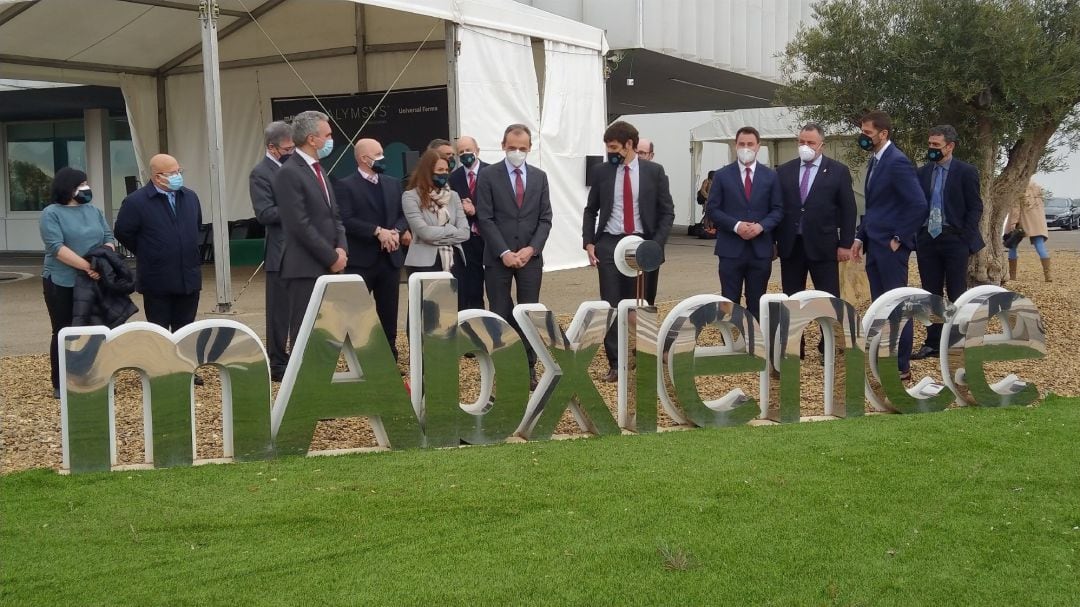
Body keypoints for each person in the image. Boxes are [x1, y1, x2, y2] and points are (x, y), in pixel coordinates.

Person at [582, 120, 675, 382]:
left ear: (629, 145)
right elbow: (591, 209)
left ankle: (644, 357)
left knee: (642, 304)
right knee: (611, 305)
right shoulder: (602, 172)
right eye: (607, 148)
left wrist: (655, 244)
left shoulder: (654, 172)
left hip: (643, 244)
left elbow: (667, 211)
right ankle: (616, 363)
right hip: (610, 243)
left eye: (614, 147)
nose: (610, 152)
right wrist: (589, 241)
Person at [849, 111, 927, 381]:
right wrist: (860, 237)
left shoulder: (897, 162)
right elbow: (875, 208)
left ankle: (901, 366)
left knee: (897, 306)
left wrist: (899, 238)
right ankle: (885, 358)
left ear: (883, 134)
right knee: (880, 306)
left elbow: (918, 205)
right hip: (874, 244)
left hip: (891, 248)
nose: (864, 137)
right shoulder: (876, 161)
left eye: (868, 133)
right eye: (863, 132)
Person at [475, 123, 552, 390]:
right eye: (512, 148)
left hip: (530, 258)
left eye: (522, 148)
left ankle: (529, 368)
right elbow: (484, 217)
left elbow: (545, 219)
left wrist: (531, 249)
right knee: (500, 312)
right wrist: (504, 251)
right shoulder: (488, 176)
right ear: (503, 146)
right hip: (498, 259)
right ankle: (503, 366)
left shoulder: (540, 177)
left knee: (528, 313)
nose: (517, 152)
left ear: (530, 148)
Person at [271, 110, 348, 350]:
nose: (330, 139)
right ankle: (301, 385)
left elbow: (334, 215)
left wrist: (341, 248)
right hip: (304, 267)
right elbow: (298, 224)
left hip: (329, 263)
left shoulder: (319, 169)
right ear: (312, 139)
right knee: (305, 331)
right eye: (327, 135)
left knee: (327, 331)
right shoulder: (289, 172)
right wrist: (331, 256)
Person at [39, 168, 116, 397]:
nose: (86, 188)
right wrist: (87, 266)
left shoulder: (94, 211)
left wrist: (99, 263)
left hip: (93, 281)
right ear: (67, 188)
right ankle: (61, 382)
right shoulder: (51, 213)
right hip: (61, 281)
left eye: (86, 183)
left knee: (94, 329)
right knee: (63, 330)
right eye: (81, 184)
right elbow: (56, 248)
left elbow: (108, 238)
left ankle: (91, 376)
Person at [912, 124, 984, 360]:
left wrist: (965, 236)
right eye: (930, 144)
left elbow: (975, 206)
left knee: (956, 291)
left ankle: (957, 340)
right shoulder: (922, 172)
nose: (932, 149)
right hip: (927, 239)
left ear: (950, 146)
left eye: (936, 145)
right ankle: (933, 342)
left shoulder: (966, 171)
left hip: (954, 238)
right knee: (930, 294)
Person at [333, 138, 408, 361]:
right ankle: (361, 356)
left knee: (389, 311)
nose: (382, 158)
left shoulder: (393, 183)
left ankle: (389, 354)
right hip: (361, 260)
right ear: (364, 159)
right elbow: (346, 219)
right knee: (357, 313)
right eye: (378, 154)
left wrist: (395, 231)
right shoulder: (346, 186)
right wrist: (377, 231)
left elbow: (403, 215)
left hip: (390, 260)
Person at [115, 153, 203, 334]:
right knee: (159, 334)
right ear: (157, 177)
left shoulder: (190, 197)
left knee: (185, 333)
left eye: (178, 171)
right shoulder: (136, 202)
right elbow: (123, 232)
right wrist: (150, 250)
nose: (177, 176)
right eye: (172, 173)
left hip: (188, 279)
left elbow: (196, 226)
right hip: (157, 281)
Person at [705, 126, 784, 319]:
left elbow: (778, 209)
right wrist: (736, 225)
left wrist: (761, 226)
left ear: (758, 146)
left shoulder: (771, 176)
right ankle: (731, 343)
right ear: (735, 145)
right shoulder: (722, 175)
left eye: (750, 144)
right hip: (731, 250)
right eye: (742, 144)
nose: (746, 148)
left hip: (760, 250)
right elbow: (712, 209)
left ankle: (755, 344)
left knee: (757, 302)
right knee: (729, 301)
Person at [775, 123, 857, 300]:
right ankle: (793, 329)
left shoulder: (838, 171)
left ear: (822, 145)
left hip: (824, 246)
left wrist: (845, 244)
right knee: (791, 300)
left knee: (828, 300)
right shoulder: (783, 171)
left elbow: (848, 209)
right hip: (791, 246)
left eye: (811, 142)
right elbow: (776, 208)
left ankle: (829, 329)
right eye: (801, 141)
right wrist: (773, 242)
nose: (805, 146)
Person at [249, 120, 294, 381]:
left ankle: (297, 357)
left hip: (304, 251)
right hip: (280, 252)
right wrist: (298, 207)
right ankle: (277, 362)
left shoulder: (296, 168)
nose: (290, 152)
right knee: (279, 313)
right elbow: (265, 213)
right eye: (287, 148)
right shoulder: (261, 173)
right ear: (272, 147)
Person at [402, 149, 470, 277]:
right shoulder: (411, 196)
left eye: (446, 170)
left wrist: (437, 234)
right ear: (427, 171)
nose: (444, 174)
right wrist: (451, 229)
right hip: (423, 264)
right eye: (440, 170)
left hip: (454, 261)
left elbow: (465, 232)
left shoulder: (453, 196)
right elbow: (425, 233)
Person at [449, 135, 489, 310]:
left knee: (496, 287)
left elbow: (500, 206)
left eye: (468, 150)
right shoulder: (454, 178)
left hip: (489, 237)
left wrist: (475, 210)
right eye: (461, 152)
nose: (465, 154)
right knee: (472, 288)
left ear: (477, 151)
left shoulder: (492, 172)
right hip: (467, 240)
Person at [1005, 180, 1052, 282]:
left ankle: (1012, 276)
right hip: (1037, 221)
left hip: (1022, 219)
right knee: (1040, 245)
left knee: (1012, 244)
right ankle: (1048, 276)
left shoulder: (1019, 186)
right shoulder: (1037, 186)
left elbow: (1016, 206)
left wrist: (1013, 221)